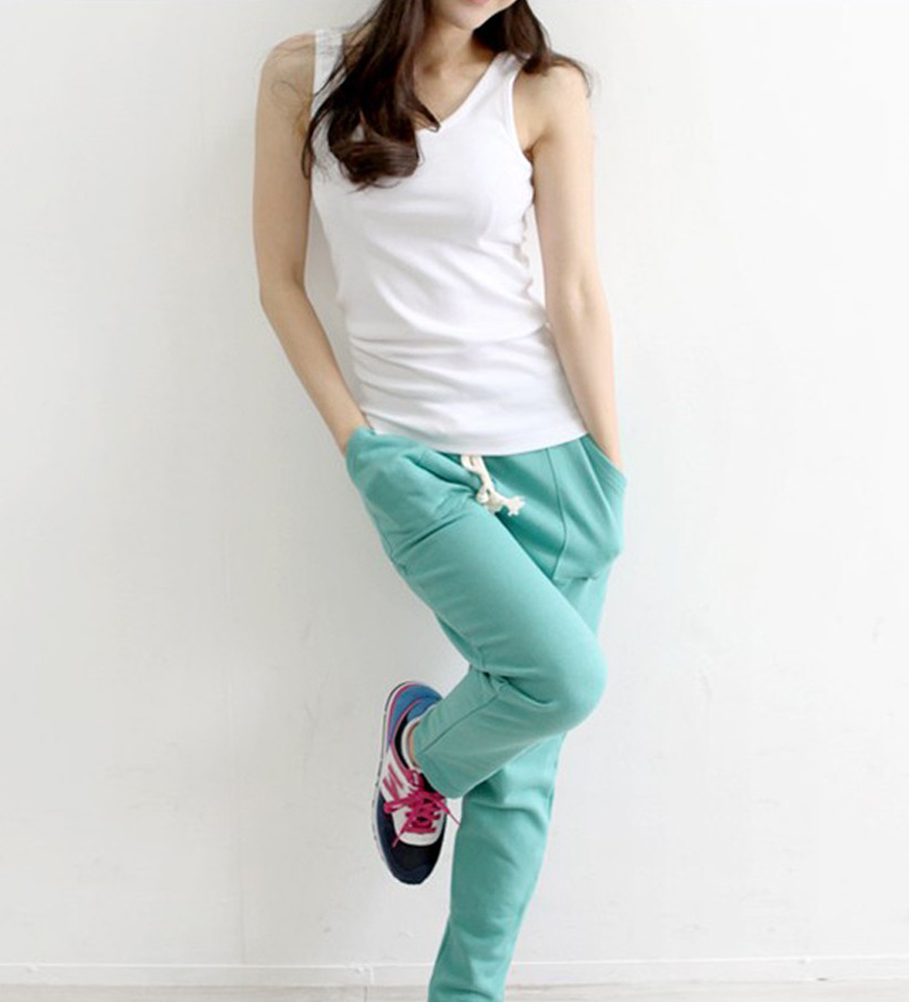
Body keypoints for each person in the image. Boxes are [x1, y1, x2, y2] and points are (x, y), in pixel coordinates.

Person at [253, 1, 627, 998]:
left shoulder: (544, 88)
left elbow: (575, 290)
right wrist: (359, 445)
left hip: (555, 455)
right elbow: (280, 283)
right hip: (414, 463)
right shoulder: (304, 75)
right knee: (564, 680)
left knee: (523, 778)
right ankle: (420, 752)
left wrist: (610, 465)